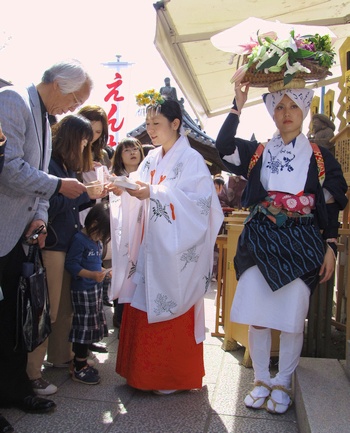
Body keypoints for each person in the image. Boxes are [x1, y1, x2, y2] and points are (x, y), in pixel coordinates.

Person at [215, 81, 348, 414]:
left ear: (303, 111)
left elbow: (332, 203)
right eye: (279, 106)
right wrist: (238, 103)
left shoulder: (320, 156)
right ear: (271, 111)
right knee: (257, 317)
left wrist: (330, 244)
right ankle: (261, 378)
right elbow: (222, 146)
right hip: (260, 239)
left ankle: (284, 380)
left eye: (293, 106)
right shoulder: (258, 151)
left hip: (302, 242)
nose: (286, 114)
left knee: (291, 318)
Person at [0, 59, 92, 430]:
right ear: (57, 84)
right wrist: (56, 187)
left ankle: (13, 389)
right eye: (73, 99)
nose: (73, 108)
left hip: (21, 234)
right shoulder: (12, 100)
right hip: (3, 229)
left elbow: (37, 179)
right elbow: (8, 167)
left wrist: (39, 215)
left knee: (12, 320)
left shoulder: (45, 120)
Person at [110, 96, 223, 394]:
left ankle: (170, 378)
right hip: (152, 242)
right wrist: (122, 186)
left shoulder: (192, 160)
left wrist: (156, 193)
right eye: (147, 124)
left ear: (175, 124)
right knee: (145, 298)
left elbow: (200, 205)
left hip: (175, 250)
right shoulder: (151, 158)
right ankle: (142, 374)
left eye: (156, 123)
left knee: (170, 300)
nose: (150, 129)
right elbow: (140, 184)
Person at [26, 114, 105, 396]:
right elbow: (44, 203)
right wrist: (76, 191)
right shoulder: (49, 164)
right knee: (46, 311)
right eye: (84, 141)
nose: (86, 147)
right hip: (52, 247)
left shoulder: (64, 166)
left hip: (65, 244)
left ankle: (60, 358)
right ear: (71, 138)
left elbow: (69, 201)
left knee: (63, 310)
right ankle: (32, 374)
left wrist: (90, 193)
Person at [65, 202, 111, 384]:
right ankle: (79, 365)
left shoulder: (95, 242)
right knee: (83, 327)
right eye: (100, 233)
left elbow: (95, 263)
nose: (100, 238)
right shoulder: (79, 240)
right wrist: (92, 274)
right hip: (82, 291)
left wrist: (103, 271)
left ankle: (81, 361)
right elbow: (71, 265)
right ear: (93, 224)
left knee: (91, 324)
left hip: (93, 289)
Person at [109, 137, 145, 328]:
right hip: (123, 232)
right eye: (127, 150)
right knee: (123, 271)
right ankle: (120, 316)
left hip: (143, 232)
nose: (132, 153)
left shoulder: (148, 175)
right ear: (119, 157)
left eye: (135, 149)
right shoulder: (115, 179)